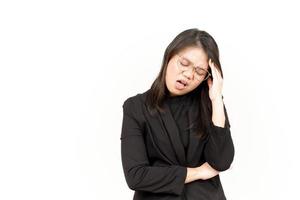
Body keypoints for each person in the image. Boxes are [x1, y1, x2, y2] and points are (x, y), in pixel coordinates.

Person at [120, 28, 235, 200]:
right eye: (184, 63)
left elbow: (221, 162)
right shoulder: (136, 107)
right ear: (169, 56)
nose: (188, 74)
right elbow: (136, 176)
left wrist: (217, 99)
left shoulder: (210, 105)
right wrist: (198, 172)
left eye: (199, 71)